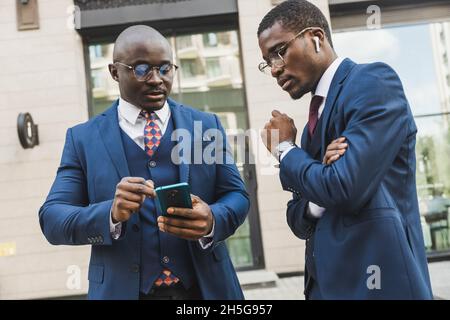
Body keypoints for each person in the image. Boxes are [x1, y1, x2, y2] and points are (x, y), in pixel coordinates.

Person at [39, 25, 249, 300]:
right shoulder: (83, 139)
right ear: (115, 72)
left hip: (206, 290)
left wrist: (212, 220)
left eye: (165, 68)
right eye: (141, 69)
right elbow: (52, 219)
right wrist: (110, 214)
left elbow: (237, 195)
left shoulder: (204, 126)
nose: (156, 79)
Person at [258, 0, 433, 299]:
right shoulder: (314, 123)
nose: (274, 69)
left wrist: (285, 149)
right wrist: (319, 193)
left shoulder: (373, 83)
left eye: (279, 51)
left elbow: (342, 186)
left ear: (316, 37)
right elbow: (297, 218)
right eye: (267, 61)